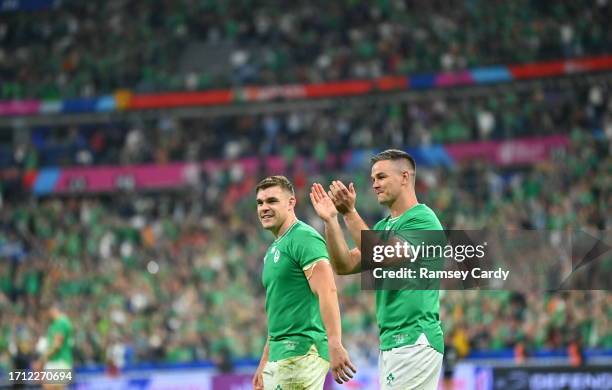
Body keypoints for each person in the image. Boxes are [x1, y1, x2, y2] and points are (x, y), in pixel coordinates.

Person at [310, 149, 444, 390]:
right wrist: (331, 220)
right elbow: (343, 265)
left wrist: (350, 213)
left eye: (381, 177)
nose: (374, 184)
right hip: (392, 342)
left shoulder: (424, 220)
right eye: (373, 179)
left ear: (405, 177)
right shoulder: (383, 227)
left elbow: (380, 255)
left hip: (415, 338)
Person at [252, 175, 356, 390]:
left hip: (300, 354)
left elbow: (327, 290)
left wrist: (334, 342)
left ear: (291, 203)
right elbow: (279, 311)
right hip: (282, 356)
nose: (264, 207)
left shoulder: (304, 238)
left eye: (272, 201)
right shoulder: (274, 249)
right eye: (260, 203)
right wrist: (265, 360)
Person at [39, 303, 74, 389]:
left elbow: (57, 346)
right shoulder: (55, 324)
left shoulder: (61, 322)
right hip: (56, 361)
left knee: (50, 387)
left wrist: (42, 359)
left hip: (59, 361)